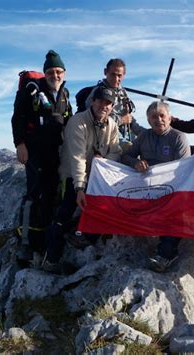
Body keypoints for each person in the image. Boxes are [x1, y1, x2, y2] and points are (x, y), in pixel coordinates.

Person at [44, 86, 122, 272]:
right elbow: (77, 157)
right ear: (93, 101)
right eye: (101, 101)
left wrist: (102, 162)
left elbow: (116, 152)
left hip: (97, 177)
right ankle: (51, 260)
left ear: (112, 106)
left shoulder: (111, 124)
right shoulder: (78, 122)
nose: (104, 106)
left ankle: (83, 236)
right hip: (73, 176)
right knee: (65, 212)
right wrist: (80, 188)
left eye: (108, 103)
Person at [11, 49, 72, 262]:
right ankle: (25, 242)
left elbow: (70, 121)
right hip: (35, 150)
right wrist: (20, 144)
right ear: (45, 73)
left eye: (59, 71)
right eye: (51, 72)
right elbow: (17, 118)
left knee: (52, 192)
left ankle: (44, 236)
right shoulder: (31, 90)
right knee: (34, 193)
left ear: (64, 73)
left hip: (56, 150)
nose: (55, 75)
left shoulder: (64, 93)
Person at [122, 101, 191, 272]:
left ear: (169, 118)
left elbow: (184, 169)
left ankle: (166, 254)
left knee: (176, 211)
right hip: (146, 189)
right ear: (148, 120)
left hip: (172, 189)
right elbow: (125, 157)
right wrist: (136, 162)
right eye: (153, 117)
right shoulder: (144, 137)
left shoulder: (178, 137)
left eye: (162, 115)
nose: (158, 119)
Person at [84, 58, 145, 149]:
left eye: (119, 75)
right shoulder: (98, 93)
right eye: (113, 74)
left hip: (124, 136)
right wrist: (122, 120)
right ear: (105, 72)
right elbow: (97, 119)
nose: (116, 79)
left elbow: (129, 119)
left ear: (124, 75)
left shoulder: (123, 93)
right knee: (130, 149)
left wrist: (148, 133)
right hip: (103, 138)